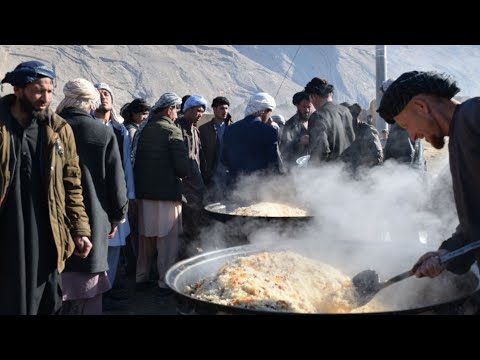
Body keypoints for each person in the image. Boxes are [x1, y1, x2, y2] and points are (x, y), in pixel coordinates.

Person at [0, 61, 92, 314]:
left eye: (50, 91)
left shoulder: (59, 130)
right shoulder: (2, 126)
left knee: (47, 300)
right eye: (38, 90)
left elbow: (72, 183)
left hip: (48, 231)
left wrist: (80, 228)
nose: (46, 98)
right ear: (18, 90)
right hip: (8, 234)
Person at [376, 70, 478, 279]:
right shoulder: (459, 137)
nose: (412, 136)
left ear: (421, 107)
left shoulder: (474, 116)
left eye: (406, 125)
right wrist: (445, 253)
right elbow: (474, 227)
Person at [56, 78, 128, 315]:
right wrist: (118, 216)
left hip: (54, 220)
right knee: (88, 292)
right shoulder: (101, 132)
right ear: (89, 103)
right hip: (94, 220)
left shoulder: (50, 128)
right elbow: (116, 183)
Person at [133, 92, 189, 294]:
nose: (177, 114)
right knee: (167, 242)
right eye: (176, 110)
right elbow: (182, 168)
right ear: (169, 109)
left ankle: (141, 278)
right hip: (166, 197)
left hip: (144, 194)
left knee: (145, 240)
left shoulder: (143, 129)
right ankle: (164, 282)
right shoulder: (171, 131)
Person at [222, 92, 281, 186]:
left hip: (233, 187)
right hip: (258, 188)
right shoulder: (269, 131)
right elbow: (274, 163)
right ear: (264, 111)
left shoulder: (230, 129)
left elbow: (224, 160)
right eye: (270, 113)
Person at [304, 78, 355, 165]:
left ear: (313, 96)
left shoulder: (318, 116)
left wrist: (310, 170)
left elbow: (320, 150)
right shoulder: (346, 111)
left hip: (330, 173)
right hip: (350, 169)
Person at [199, 96, 233, 202]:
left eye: (226, 108)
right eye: (222, 108)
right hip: (212, 174)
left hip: (230, 174)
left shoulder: (233, 128)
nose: (225, 111)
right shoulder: (204, 129)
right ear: (214, 109)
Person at [280, 91, 312, 170]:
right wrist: (299, 141)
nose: (307, 110)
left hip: (311, 167)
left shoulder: (313, 121)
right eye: (304, 107)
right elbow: (284, 148)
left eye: (309, 107)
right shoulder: (291, 124)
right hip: (296, 168)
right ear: (297, 106)